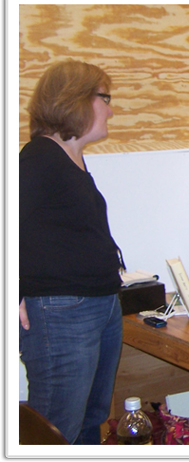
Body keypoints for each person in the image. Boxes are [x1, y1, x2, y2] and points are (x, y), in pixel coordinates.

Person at [20, 60, 124, 444]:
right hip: (63, 313)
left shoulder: (71, 157)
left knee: (91, 418)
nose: (111, 109)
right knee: (55, 427)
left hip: (100, 305)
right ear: (76, 99)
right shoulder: (38, 160)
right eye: (105, 98)